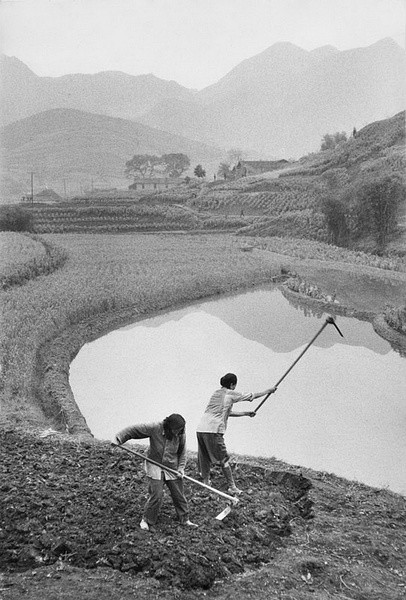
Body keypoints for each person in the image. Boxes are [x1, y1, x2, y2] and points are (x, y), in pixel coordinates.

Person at [114, 413, 197, 531]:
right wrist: (119, 438)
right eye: (176, 430)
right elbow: (134, 430)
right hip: (155, 465)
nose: (178, 433)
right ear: (168, 427)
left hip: (171, 466)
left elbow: (182, 453)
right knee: (157, 494)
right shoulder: (155, 427)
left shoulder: (180, 434)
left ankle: (185, 519)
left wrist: (181, 469)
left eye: (180, 430)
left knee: (178, 494)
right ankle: (147, 520)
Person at [196, 373, 276, 495]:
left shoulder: (216, 393)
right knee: (224, 459)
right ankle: (232, 487)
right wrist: (268, 391)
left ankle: (206, 483)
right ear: (232, 384)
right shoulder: (230, 393)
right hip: (214, 429)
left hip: (201, 428)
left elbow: (226, 412)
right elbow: (251, 396)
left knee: (205, 456)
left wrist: (245, 413)